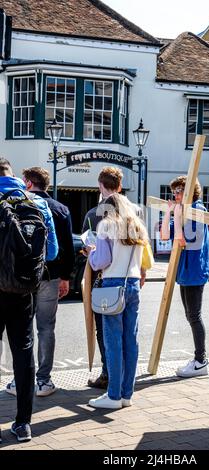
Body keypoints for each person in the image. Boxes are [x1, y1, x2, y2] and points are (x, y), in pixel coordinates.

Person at [0, 158, 58, 442]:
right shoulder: (36, 203)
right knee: (24, 351)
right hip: (24, 290)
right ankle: (23, 423)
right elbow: (52, 252)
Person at [6, 167, 75, 398]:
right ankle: (44, 380)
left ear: (27, 182)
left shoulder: (19, 202)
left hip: (24, 276)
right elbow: (64, 248)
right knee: (46, 328)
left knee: (24, 332)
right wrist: (66, 277)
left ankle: (20, 381)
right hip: (51, 275)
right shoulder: (61, 209)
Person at [86, 192, 150, 409]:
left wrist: (91, 253)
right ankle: (126, 394)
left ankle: (112, 396)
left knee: (112, 341)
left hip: (113, 284)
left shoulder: (106, 225)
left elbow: (102, 260)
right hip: (132, 284)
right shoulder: (138, 226)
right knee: (131, 340)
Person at [161, 176, 209, 378]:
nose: (176, 195)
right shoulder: (182, 211)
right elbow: (165, 236)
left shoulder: (198, 210)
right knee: (191, 316)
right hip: (184, 271)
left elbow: (183, 240)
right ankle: (199, 360)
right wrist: (168, 213)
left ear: (191, 191)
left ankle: (201, 361)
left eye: (180, 190)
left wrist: (178, 215)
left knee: (194, 316)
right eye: (174, 191)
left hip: (195, 270)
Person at [82, 167, 124, 390]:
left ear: (100, 186)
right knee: (126, 332)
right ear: (119, 186)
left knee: (106, 332)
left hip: (104, 280)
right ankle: (124, 378)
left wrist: (90, 252)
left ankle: (108, 374)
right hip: (130, 278)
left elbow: (97, 258)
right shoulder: (134, 212)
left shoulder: (94, 215)